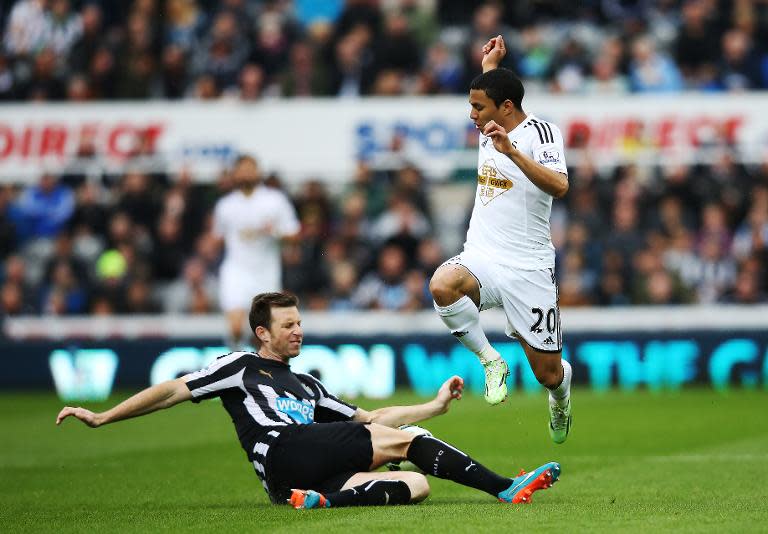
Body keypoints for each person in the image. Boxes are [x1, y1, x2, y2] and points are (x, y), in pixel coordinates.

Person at [56, 291, 561, 509]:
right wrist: (103, 416)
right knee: (404, 444)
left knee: (414, 483)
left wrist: (431, 407)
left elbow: (370, 418)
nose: (299, 331)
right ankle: (503, 488)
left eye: (300, 322)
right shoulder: (239, 367)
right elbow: (172, 389)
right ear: (262, 332)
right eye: (288, 325)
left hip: (299, 477)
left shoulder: (307, 385)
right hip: (281, 450)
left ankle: (321, 503)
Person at [428, 35, 573, 444]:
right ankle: (491, 361)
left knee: (547, 373)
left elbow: (560, 186)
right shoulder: (491, 117)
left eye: (478, 107)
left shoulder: (541, 134)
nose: (472, 115)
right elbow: (494, 89)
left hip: (528, 268)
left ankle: (561, 398)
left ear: (506, 108)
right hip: (483, 255)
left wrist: (512, 153)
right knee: (442, 284)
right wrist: (490, 63)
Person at [212, 155, 300, 349]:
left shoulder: (274, 200)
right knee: (235, 327)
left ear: (258, 172)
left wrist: (274, 231)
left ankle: (258, 371)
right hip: (236, 271)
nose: (246, 173)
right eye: (242, 169)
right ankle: (235, 367)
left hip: (265, 273)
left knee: (262, 332)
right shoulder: (225, 205)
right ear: (235, 173)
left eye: (250, 169)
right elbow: (216, 238)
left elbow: (294, 233)